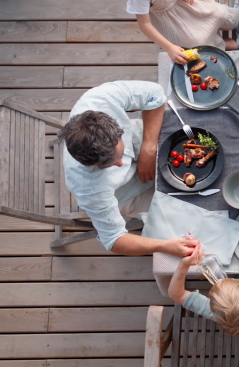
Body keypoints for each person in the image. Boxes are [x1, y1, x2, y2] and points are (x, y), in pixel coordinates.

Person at [58, 81, 195, 257]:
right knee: (184, 214)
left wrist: (149, 147)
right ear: (90, 165)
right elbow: (114, 240)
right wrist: (164, 246)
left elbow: (154, 94)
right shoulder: (88, 189)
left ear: (117, 129)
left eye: (119, 154)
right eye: (109, 165)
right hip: (126, 193)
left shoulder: (99, 98)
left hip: (142, 142)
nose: (121, 164)